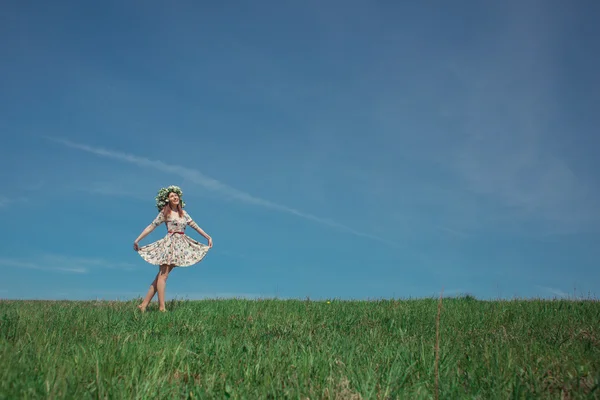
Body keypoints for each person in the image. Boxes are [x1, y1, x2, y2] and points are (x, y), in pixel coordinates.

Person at [133, 185, 213, 312]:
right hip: (169, 245)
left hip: (180, 245)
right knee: (163, 276)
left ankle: (143, 305)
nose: (175, 197)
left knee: (161, 276)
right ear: (167, 200)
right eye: (171, 196)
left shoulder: (184, 214)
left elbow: (195, 226)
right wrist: (137, 240)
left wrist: (207, 237)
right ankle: (162, 308)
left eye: (176, 195)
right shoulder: (165, 213)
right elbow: (151, 226)